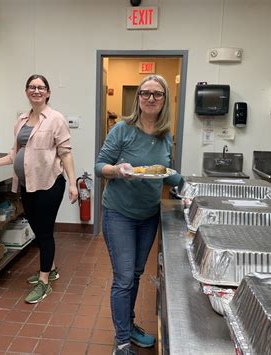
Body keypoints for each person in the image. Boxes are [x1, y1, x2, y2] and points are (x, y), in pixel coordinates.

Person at [95, 74, 181, 355]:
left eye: (157, 94)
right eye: (146, 93)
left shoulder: (165, 135)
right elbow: (100, 166)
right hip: (119, 213)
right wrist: (117, 171)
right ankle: (121, 342)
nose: (151, 98)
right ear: (138, 97)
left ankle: (129, 326)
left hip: (148, 216)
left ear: (164, 99)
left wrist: (179, 180)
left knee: (136, 273)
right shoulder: (122, 129)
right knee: (123, 279)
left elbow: (163, 174)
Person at [0, 74, 78, 304]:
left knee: (44, 232)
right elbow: (15, 153)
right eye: (32, 87)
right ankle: (51, 268)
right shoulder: (22, 119)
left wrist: (73, 183)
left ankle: (45, 281)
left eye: (41, 87)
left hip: (49, 184)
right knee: (37, 229)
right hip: (27, 184)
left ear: (48, 92)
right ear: (27, 91)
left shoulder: (56, 119)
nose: (36, 91)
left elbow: (65, 152)